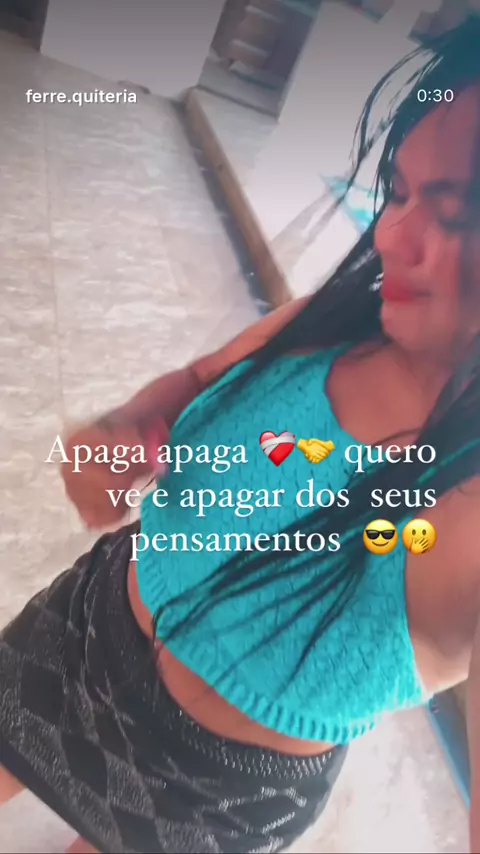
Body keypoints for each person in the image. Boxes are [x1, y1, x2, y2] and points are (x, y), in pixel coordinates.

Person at [2, 17, 480, 854]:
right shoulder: (336, 323)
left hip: (215, 795)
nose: (392, 235)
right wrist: (120, 438)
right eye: (399, 194)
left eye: (449, 214)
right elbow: (199, 379)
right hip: (88, 632)